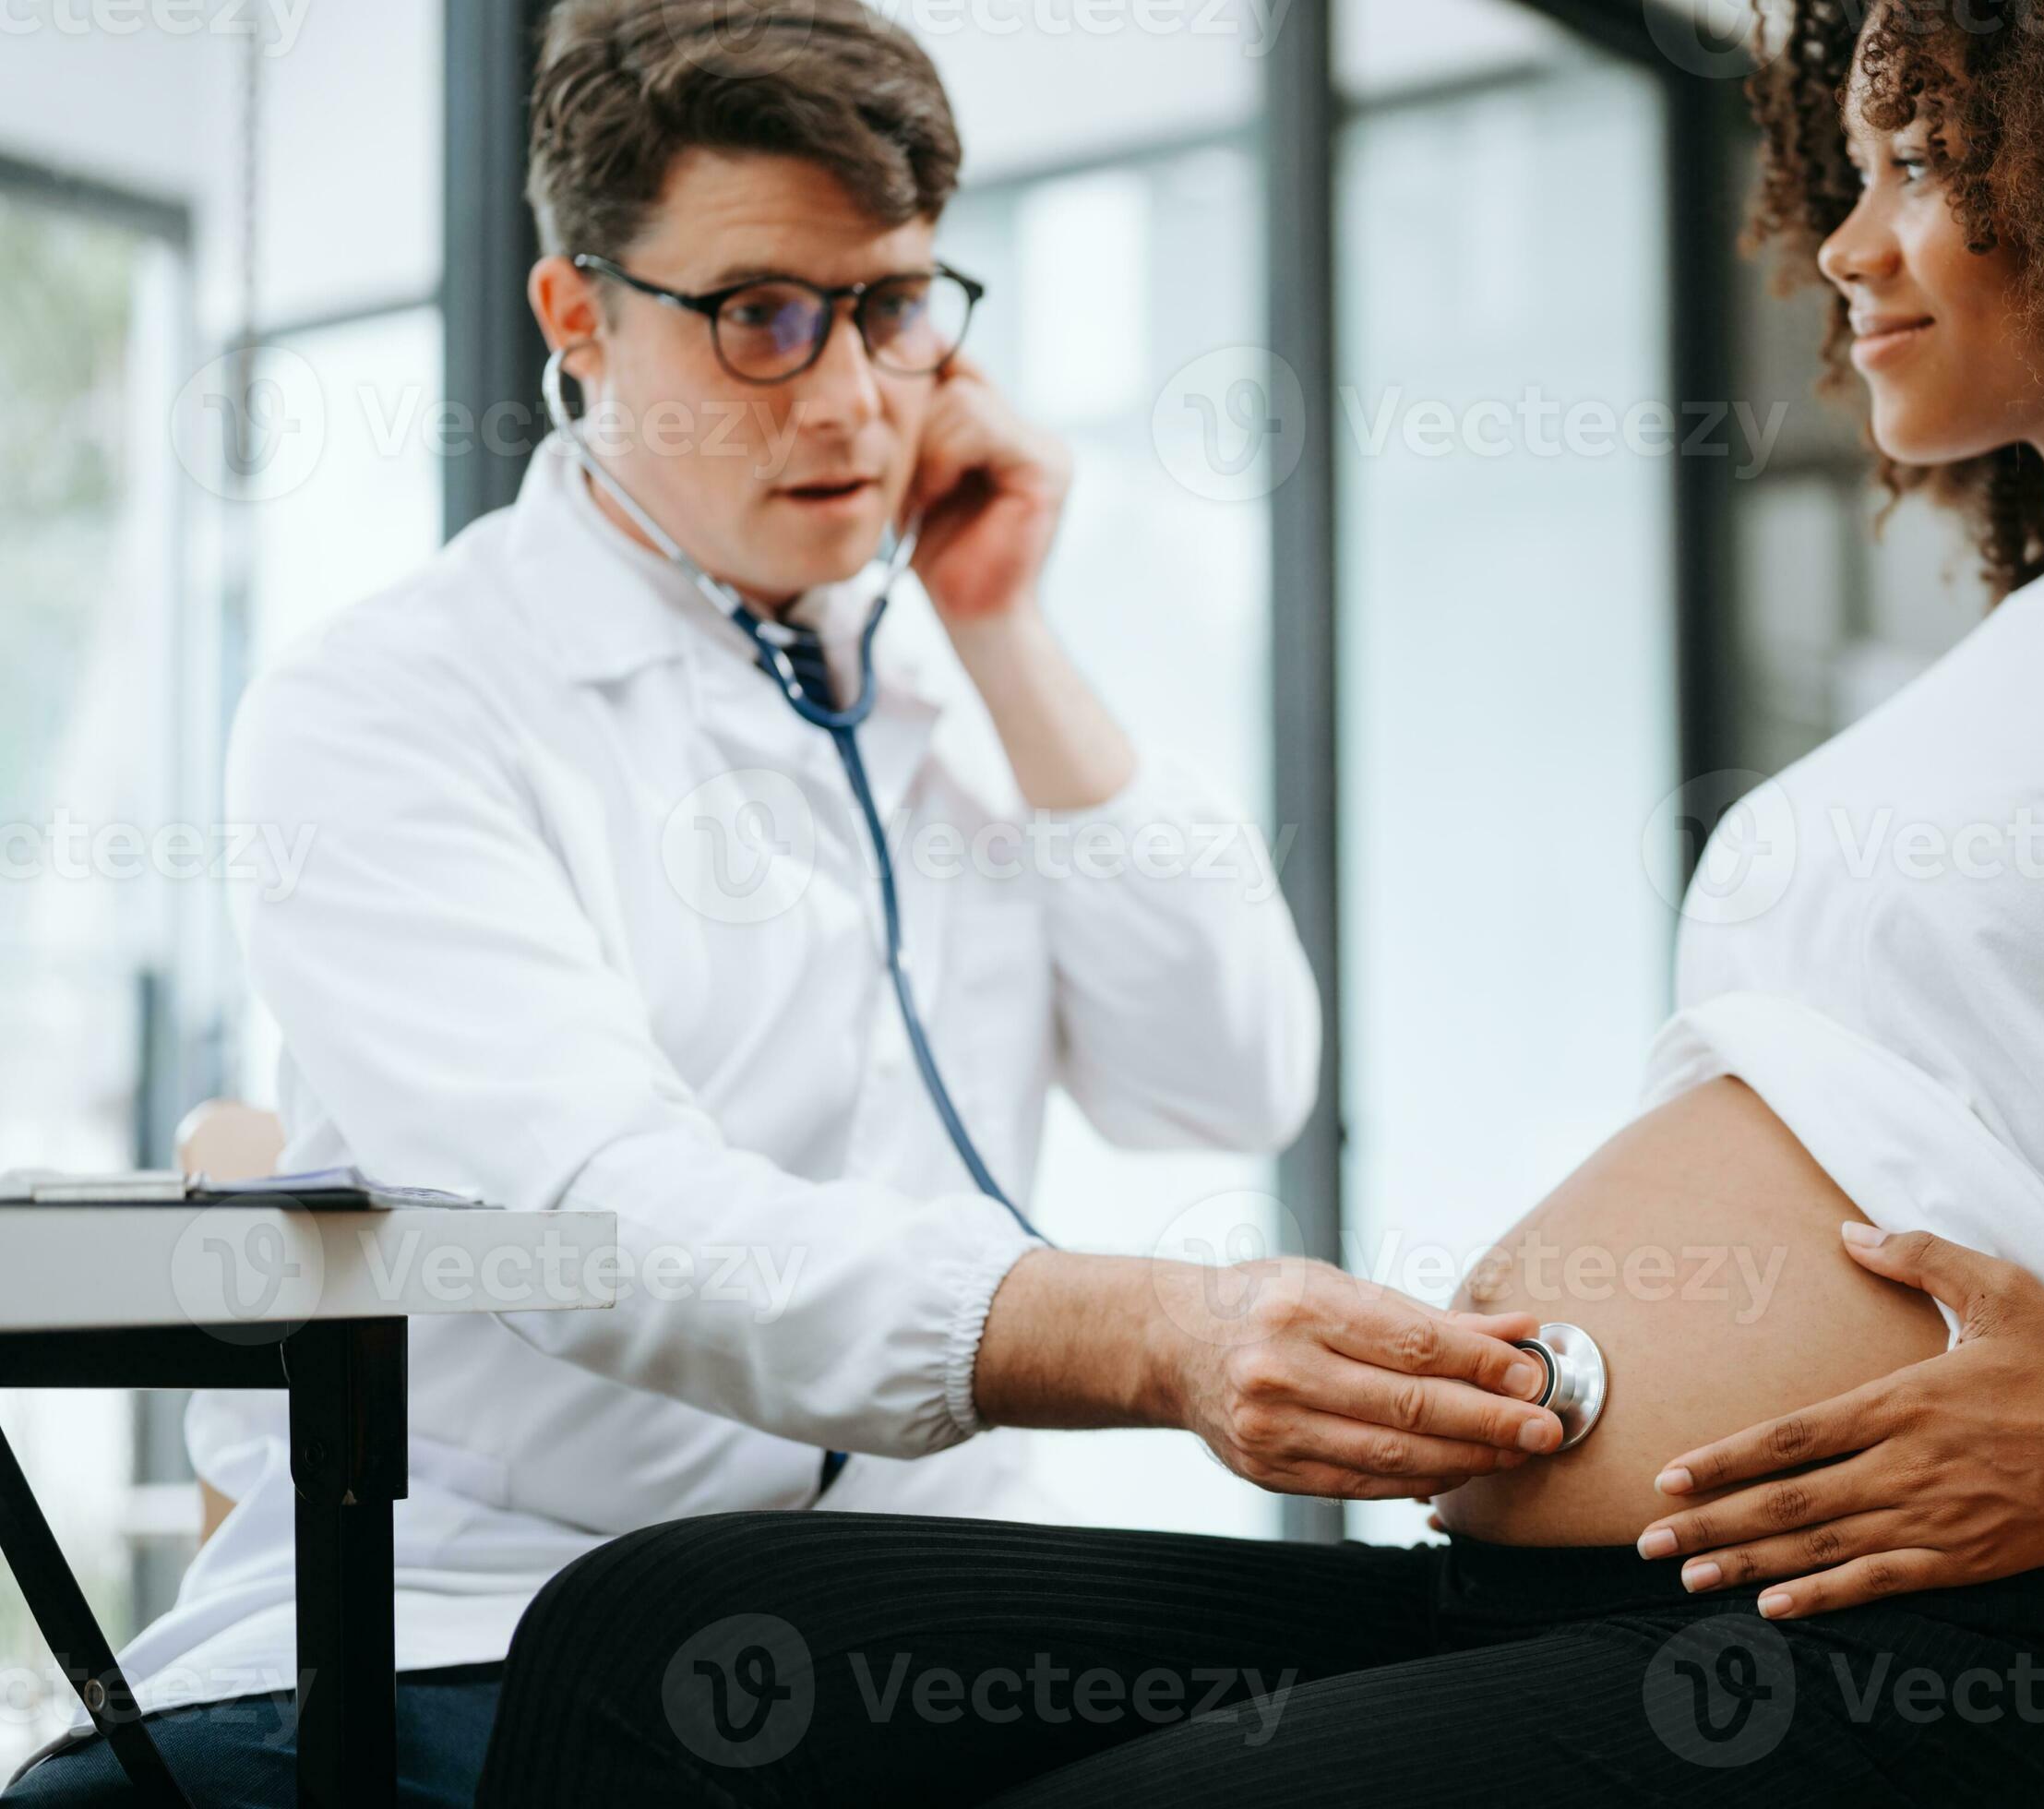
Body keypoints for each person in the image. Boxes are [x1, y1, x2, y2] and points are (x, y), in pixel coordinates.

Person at [466, 1, 2044, 1803]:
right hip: (1560, 1606)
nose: (1844, 244)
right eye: (1844, 168)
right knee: (658, 1643)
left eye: (1925, 160)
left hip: (1929, 1659)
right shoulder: (2003, 677)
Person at [2, 4, 1564, 1803]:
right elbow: (600, 1226)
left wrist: (1001, 621)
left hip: (928, 1609)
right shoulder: (390, 705)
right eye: (761, 314)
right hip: (493, 1616)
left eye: (891, 307)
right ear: (576, 316)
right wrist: (1158, 1334)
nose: (845, 397)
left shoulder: (935, 693)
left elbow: (1227, 1076)